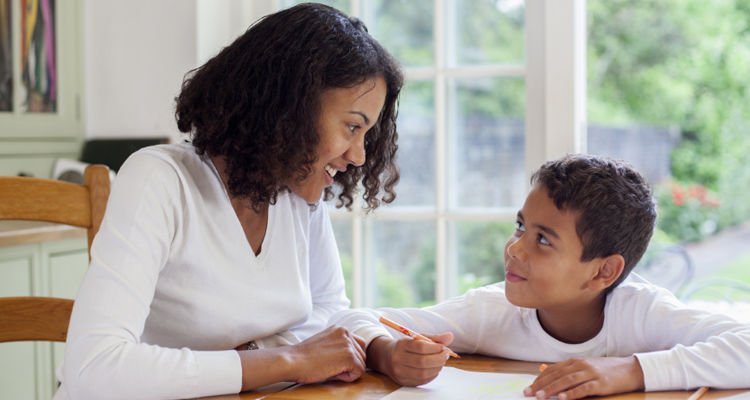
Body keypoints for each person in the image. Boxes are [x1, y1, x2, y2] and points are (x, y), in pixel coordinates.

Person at [57, 3, 403, 399]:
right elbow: (94, 369)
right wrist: (287, 360)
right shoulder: (161, 180)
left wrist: (377, 348)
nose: (359, 155)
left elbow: (331, 317)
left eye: (366, 134)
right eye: (352, 126)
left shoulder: (297, 195)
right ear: (290, 107)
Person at [330, 154, 750, 399]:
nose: (514, 248)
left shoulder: (641, 313)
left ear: (605, 271)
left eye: (543, 241)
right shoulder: (489, 311)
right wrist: (386, 352)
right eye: (520, 227)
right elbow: (349, 321)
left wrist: (630, 371)